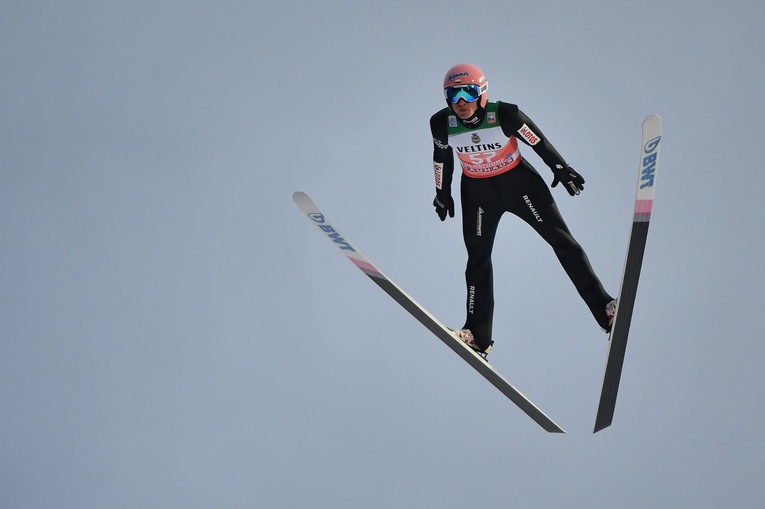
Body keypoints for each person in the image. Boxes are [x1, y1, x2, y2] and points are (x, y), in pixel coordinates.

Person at [430, 62, 615, 356]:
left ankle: (605, 309)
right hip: (478, 193)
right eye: (453, 96)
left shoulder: (505, 114)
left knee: (562, 242)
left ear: (482, 94)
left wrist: (561, 169)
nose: (461, 102)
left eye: (468, 93)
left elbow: (538, 142)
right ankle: (477, 335)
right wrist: (442, 192)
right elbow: (442, 158)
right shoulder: (442, 124)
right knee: (477, 259)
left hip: (520, 185)